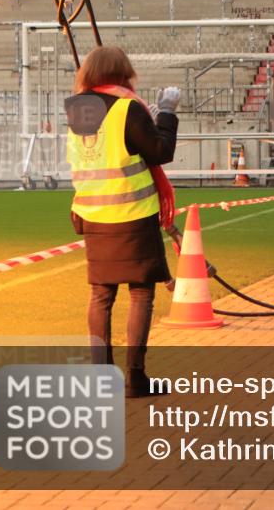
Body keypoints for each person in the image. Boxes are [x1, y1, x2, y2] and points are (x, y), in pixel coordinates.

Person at [64, 46, 179, 398]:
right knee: (141, 293)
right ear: (122, 71)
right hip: (132, 215)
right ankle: (136, 378)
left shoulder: (77, 109)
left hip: (93, 214)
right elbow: (160, 152)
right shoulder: (128, 107)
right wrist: (167, 113)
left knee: (101, 295)